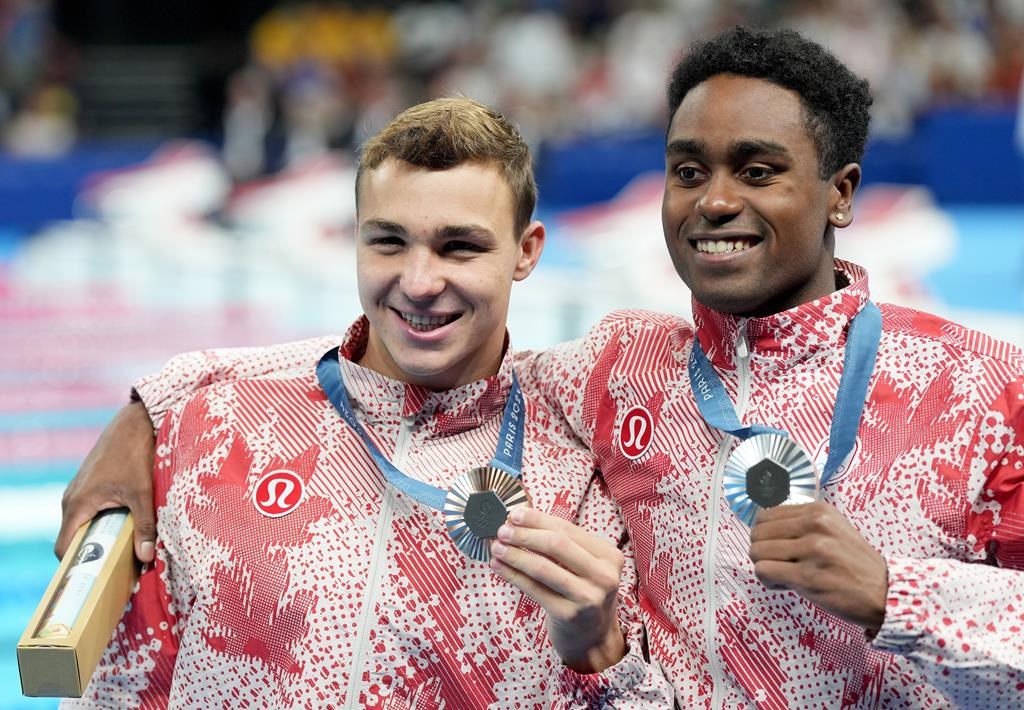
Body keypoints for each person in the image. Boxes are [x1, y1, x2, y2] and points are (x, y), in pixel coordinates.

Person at [60, 27, 1024, 707]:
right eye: (689, 171)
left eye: (758, 170)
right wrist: (155, 408)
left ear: (841, 191)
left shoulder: (983, 385)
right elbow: (405, 360)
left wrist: (901, 593)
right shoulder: (616, 369)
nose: (714, 201)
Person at [62, 98, 673, 708]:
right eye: (388, 242)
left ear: (527, 251)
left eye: (459, 247)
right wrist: (150, 405)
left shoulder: (582, 473)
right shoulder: (213, 426)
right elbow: (123, 687)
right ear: (353, 239)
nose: (418, 282)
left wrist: (601, 655)